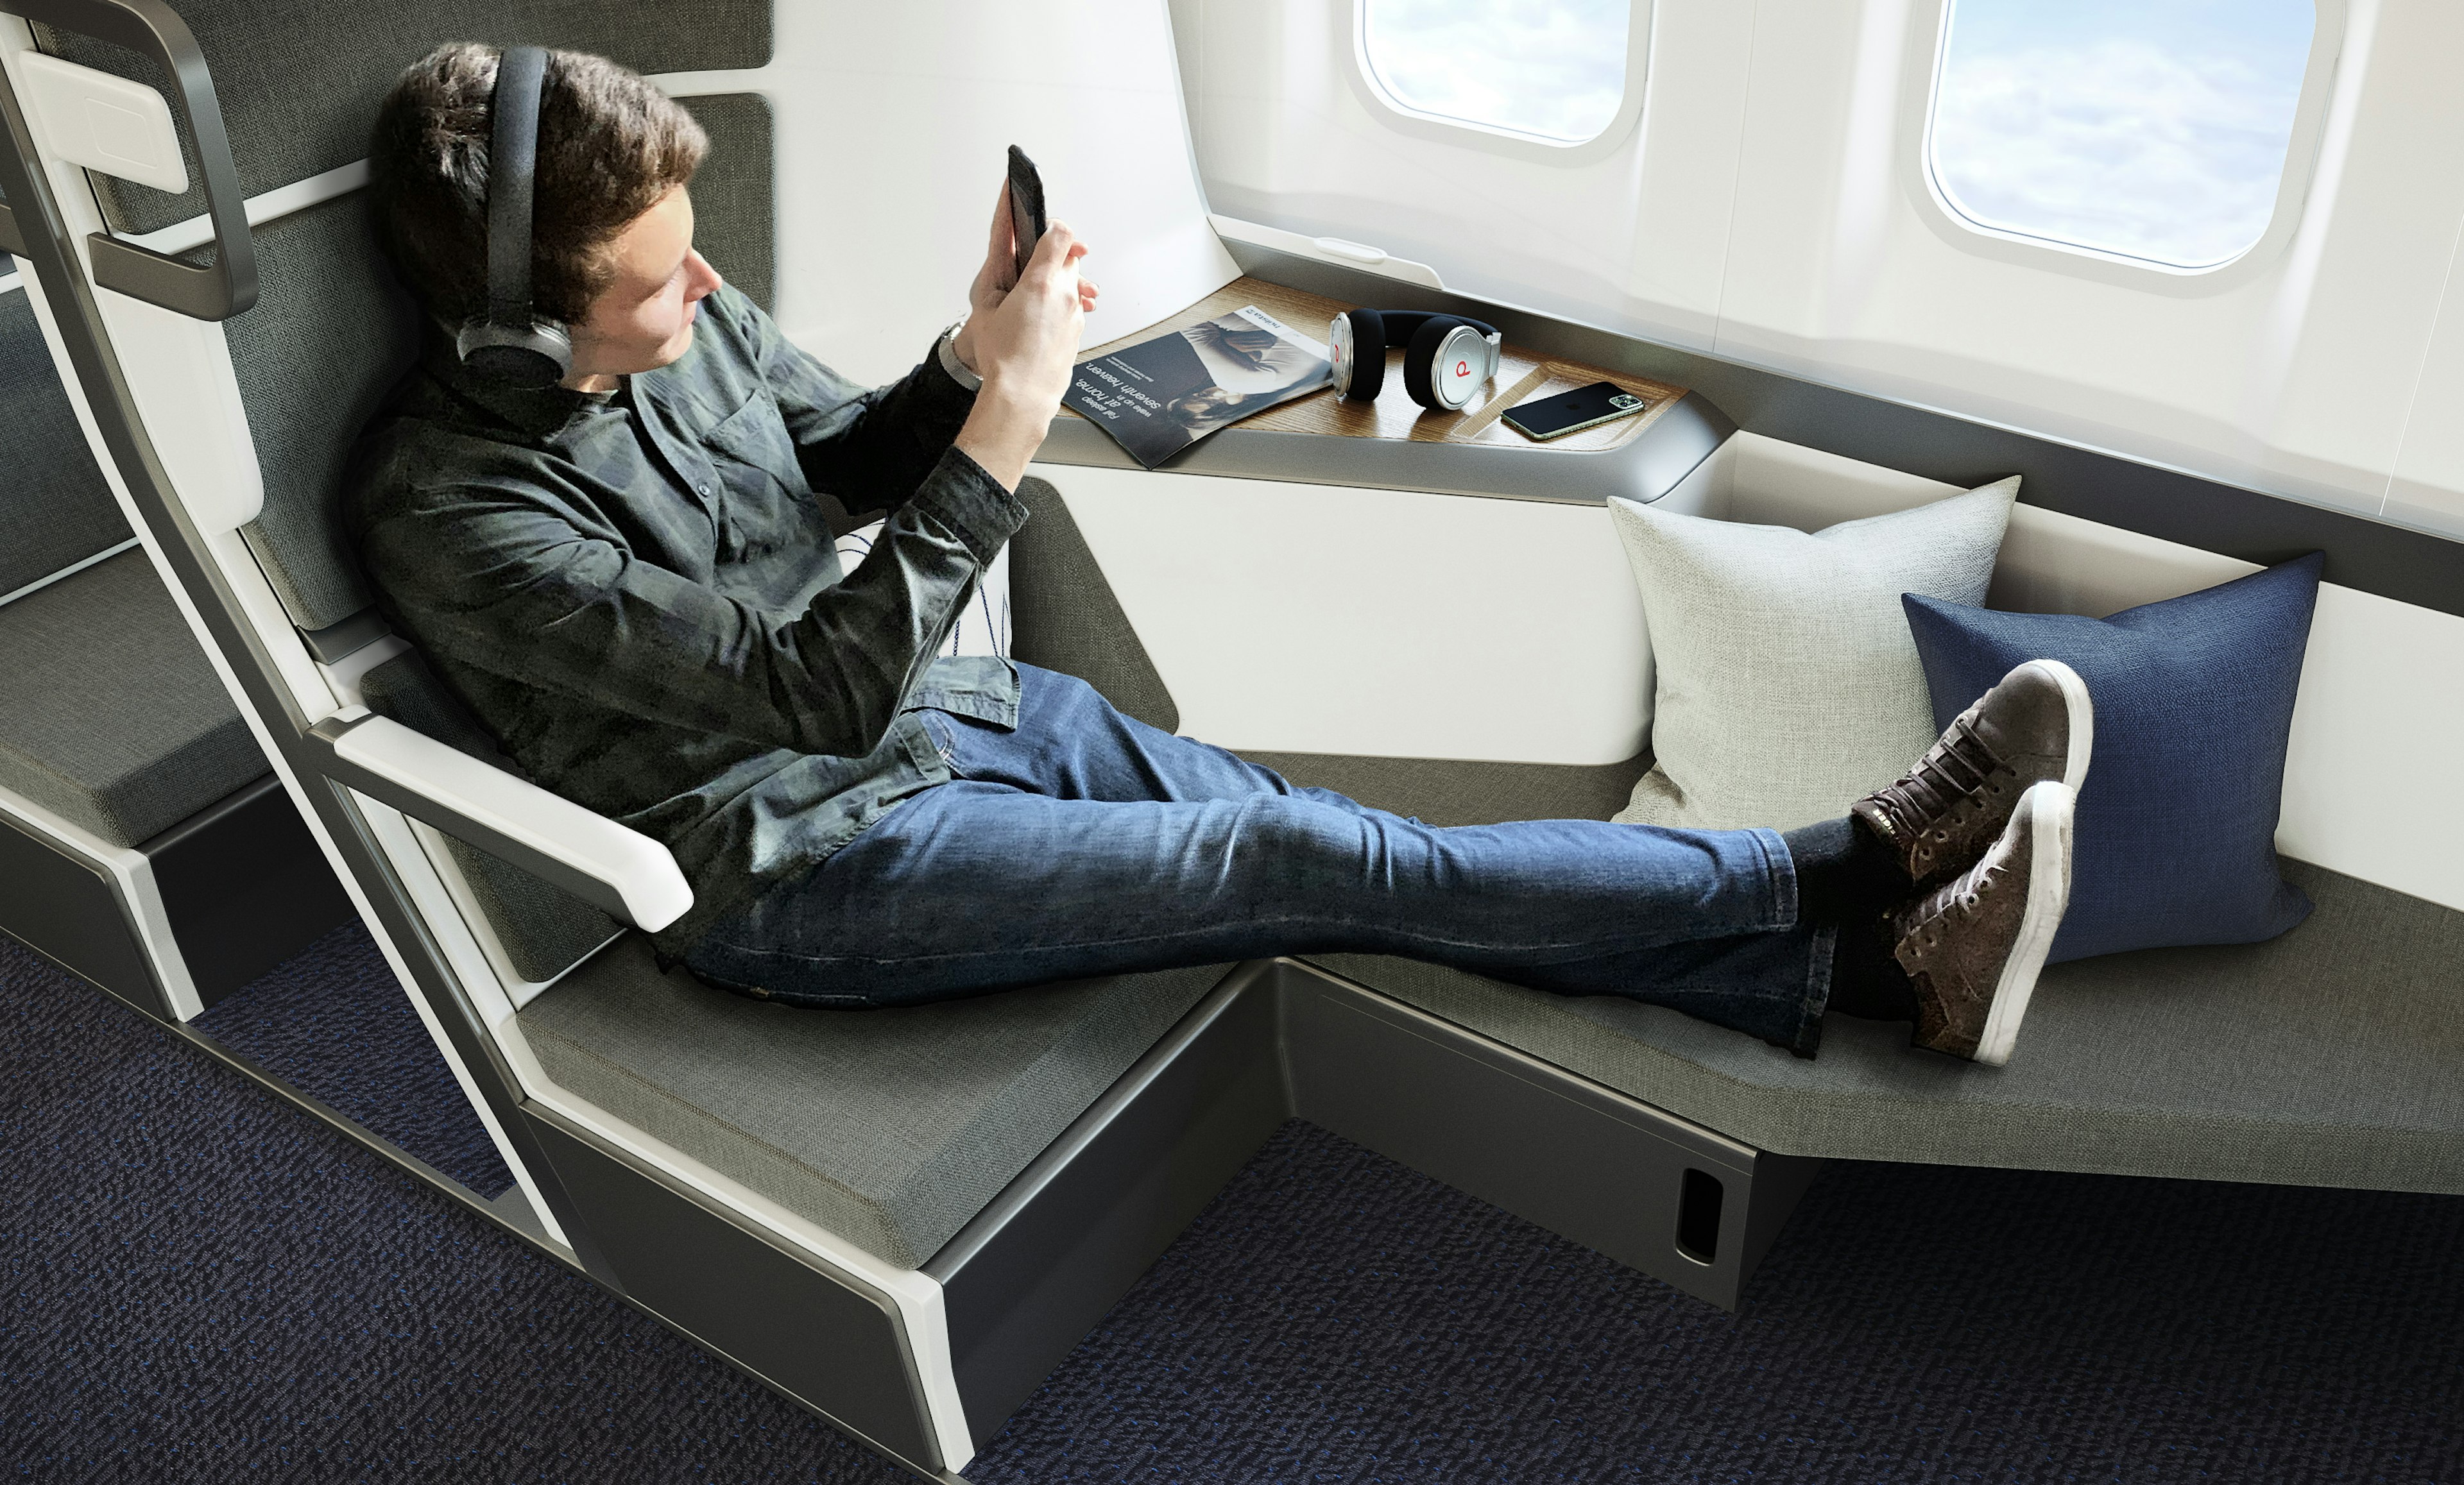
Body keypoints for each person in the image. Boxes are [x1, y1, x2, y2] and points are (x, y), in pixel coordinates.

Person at [346, 45, 2089, 1069]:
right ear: (510, 320)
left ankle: (1875, 976)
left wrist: (960, 364)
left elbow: (828, 461)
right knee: (1323, 849)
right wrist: (1015, 428)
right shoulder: (449, 511)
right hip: (802, 861)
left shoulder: (685, 323)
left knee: (1336, 843)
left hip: (961, 720)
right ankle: (1852, 867)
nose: (710, 292)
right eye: (659, 279)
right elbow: (813, 684)